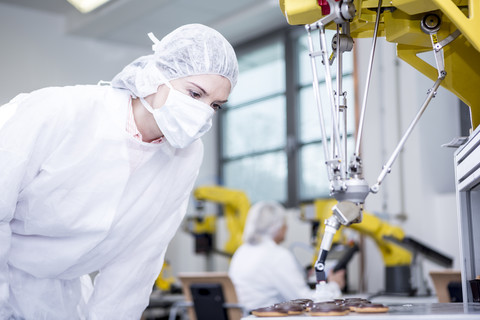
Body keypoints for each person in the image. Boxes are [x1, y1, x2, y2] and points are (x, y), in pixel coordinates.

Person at [0, 24, 238, 320]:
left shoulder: (187, 155)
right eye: (194, 93)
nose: (203, 112)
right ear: (157, 75)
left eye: (215, 105)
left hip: (63, 295)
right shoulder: (61, 111)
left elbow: (140, 258)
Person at [228, 201, 345, 311]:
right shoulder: (276, 256)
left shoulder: (241, 252)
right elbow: (307, 302)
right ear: (276, 226)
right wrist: (335, 285)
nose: (286, 227)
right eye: (284, 222)